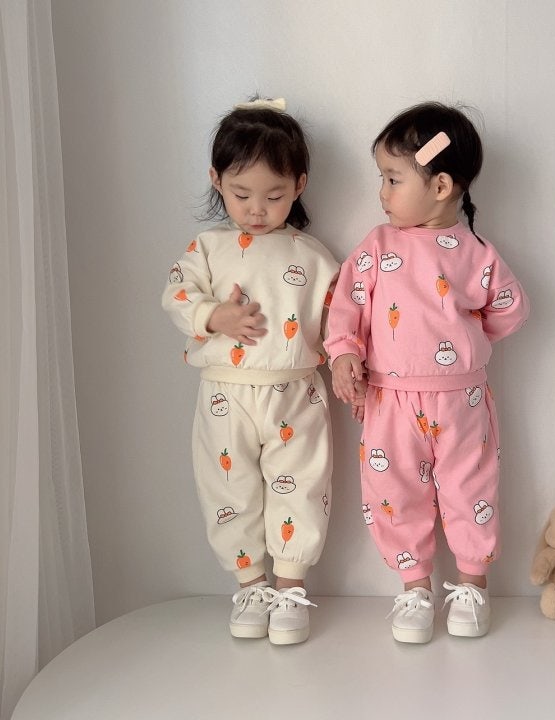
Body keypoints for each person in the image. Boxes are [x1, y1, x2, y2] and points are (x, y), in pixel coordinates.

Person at [325, 101, 529, 643]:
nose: (382, 192)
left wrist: (466, 342)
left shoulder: (475, 253)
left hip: (461, 402)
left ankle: (472, 585)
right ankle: (415, 588)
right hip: (389, 400)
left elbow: (511, 306)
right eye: (382, 178)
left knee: (470, 490)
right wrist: (344, 353)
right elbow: (346, 304)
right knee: (393, 492)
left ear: (440, 185)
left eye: (393, 179)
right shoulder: (377, 245)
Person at [162, 98, 339, 645]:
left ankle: (290, 588)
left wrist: (349, 359)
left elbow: (342, 319)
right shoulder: (207, 248)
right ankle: (251, 585)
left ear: (299, 185)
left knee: (302, 485)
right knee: (228, 488)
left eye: (274, 195)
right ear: (216, 180)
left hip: (295, 393)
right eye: (241, 194)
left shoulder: (315, 257)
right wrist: (214, 315)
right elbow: (176, 294)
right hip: (226, 395)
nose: (257, 210)